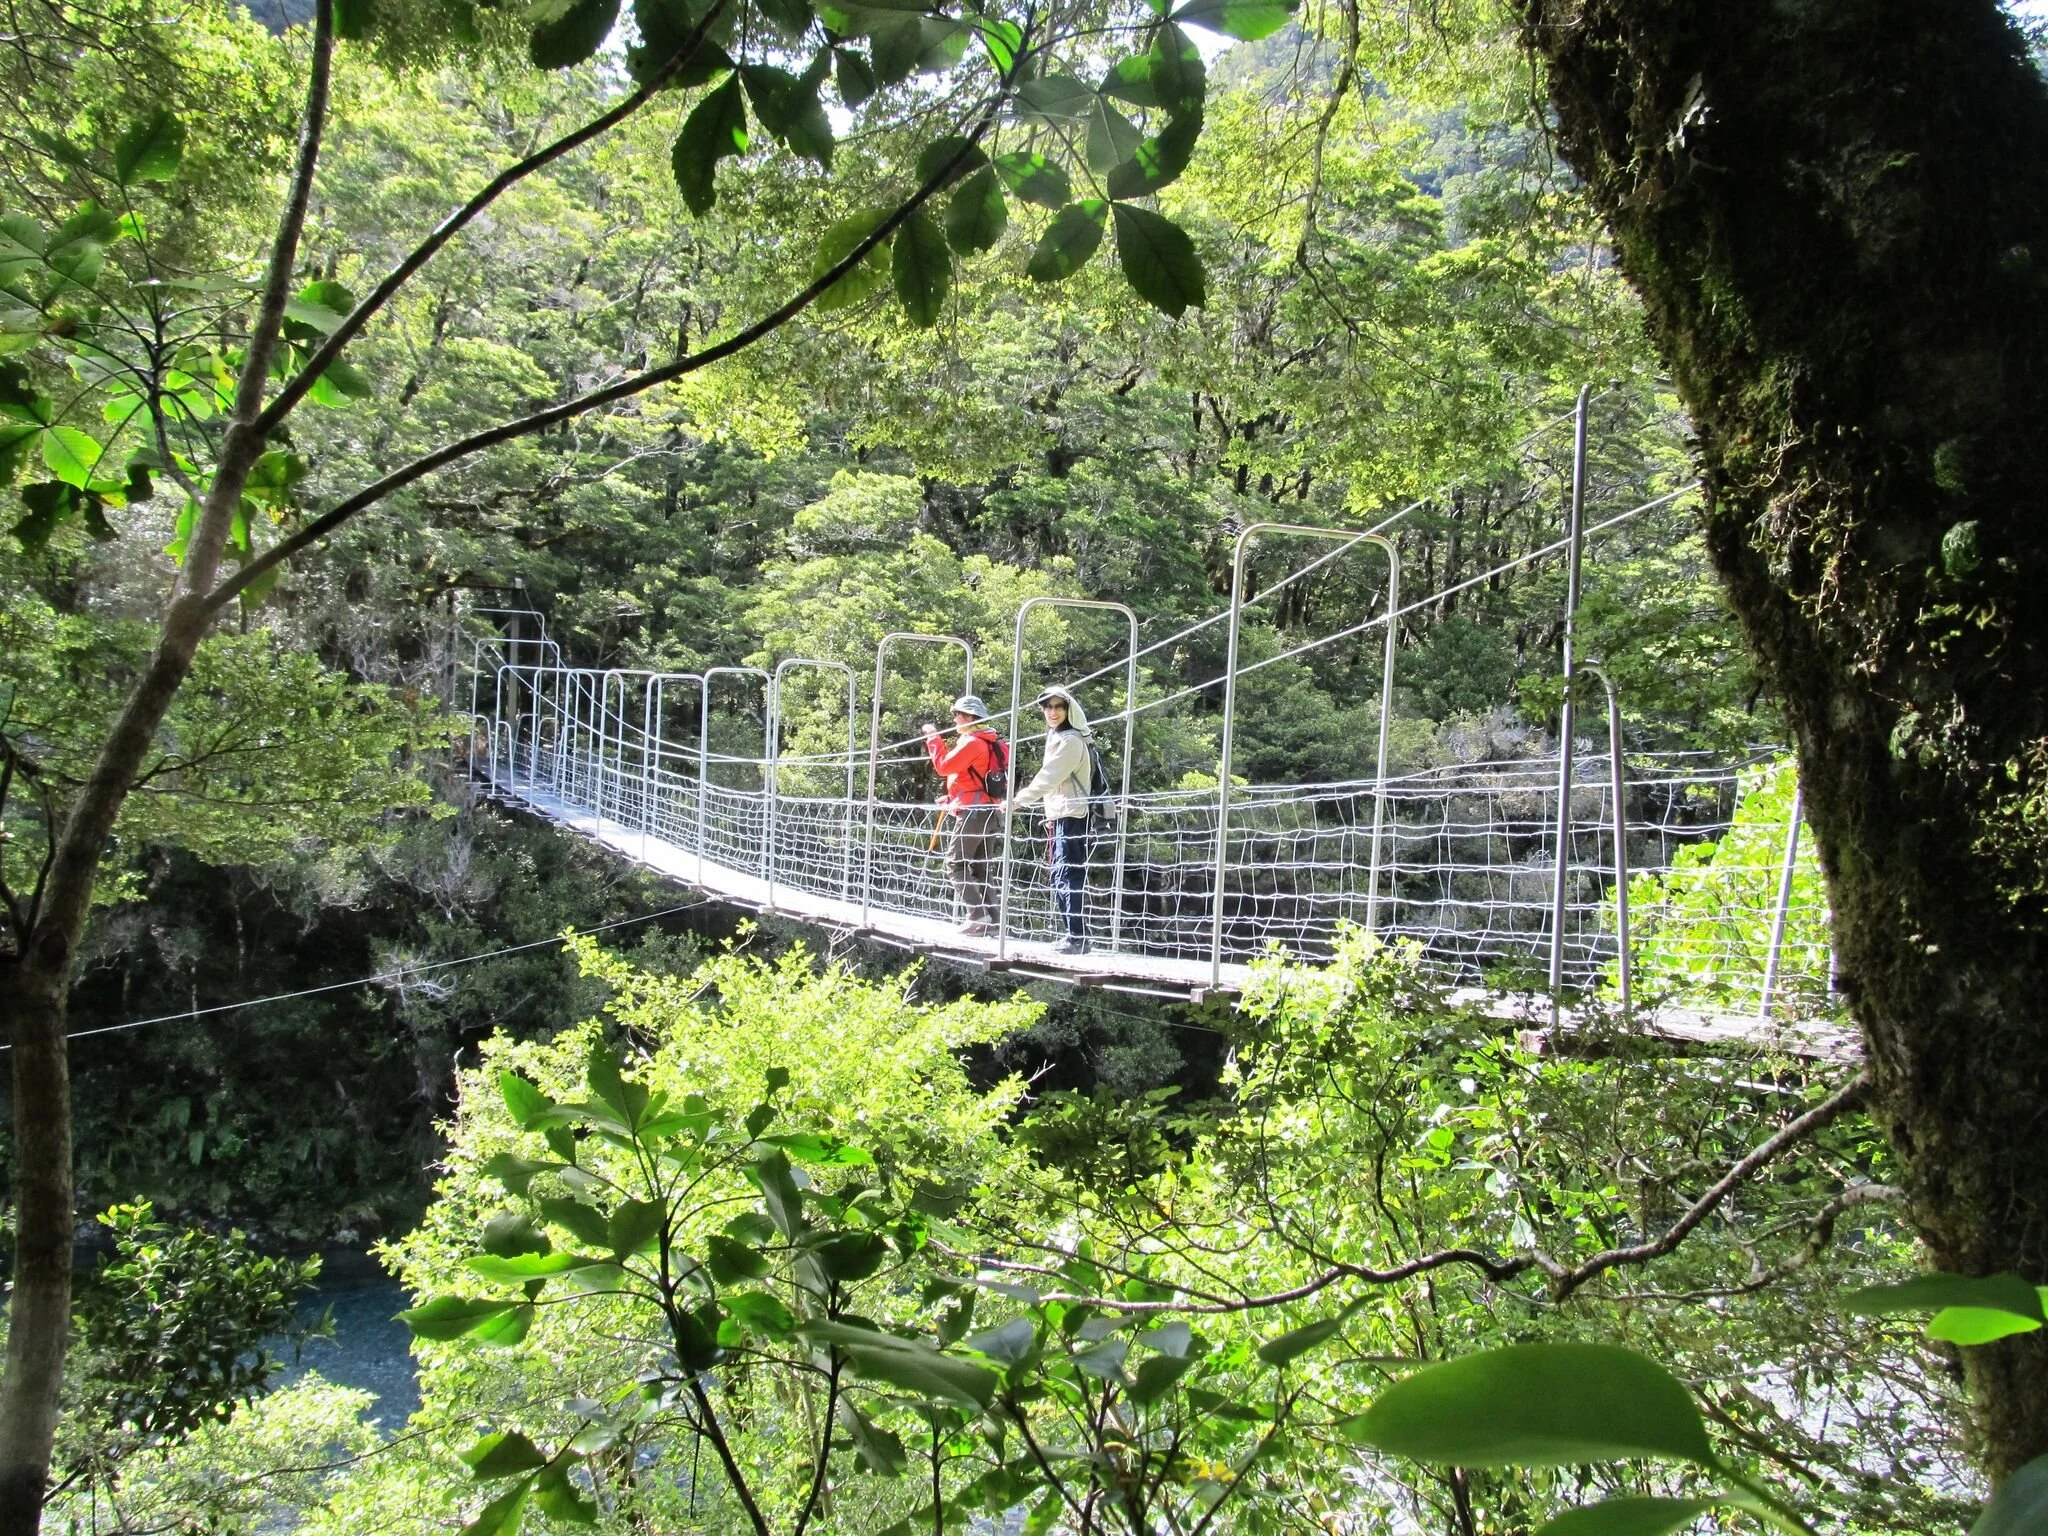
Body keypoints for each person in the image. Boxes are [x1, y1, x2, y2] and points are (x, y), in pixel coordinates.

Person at [1010, 686, 1094, 954]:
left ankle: (1077, 937)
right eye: (1048, 707)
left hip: (1071, 816)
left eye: (1059, 707)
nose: (1053, 712)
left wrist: (1020, 799)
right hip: (1059, 815)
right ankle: (1073, 936)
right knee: (1060, 875)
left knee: (1069, 875)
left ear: (1069, 710)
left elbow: (1050, 776)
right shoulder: (1056, 736)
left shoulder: (1071, 741)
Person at [921, 695, 1005, 936]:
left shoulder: (972, 742)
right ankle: (993, 922)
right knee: (980, 867)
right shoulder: (992, 740)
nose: (955, 719)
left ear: (969, 718)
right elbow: (977, 779)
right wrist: (953, 798)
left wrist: (932, 738)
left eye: (958, 714)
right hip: (989, 809)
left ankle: (976, 915)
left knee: (955, 862)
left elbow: (944, 767)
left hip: (973, 812)